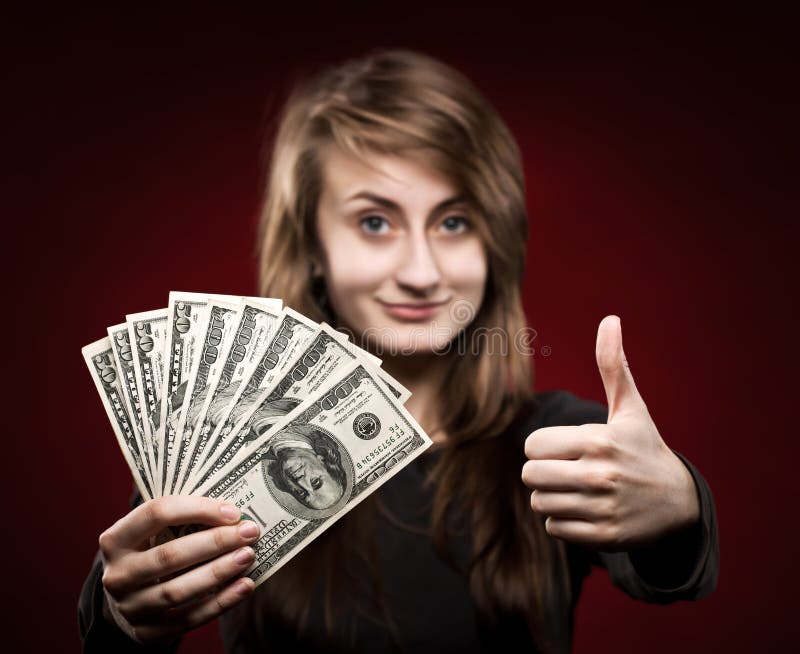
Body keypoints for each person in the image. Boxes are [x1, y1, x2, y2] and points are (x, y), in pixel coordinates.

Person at [79, 49, 719, 653]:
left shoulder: (554, 439)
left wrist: (679, 506)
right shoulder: (217, 440)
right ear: (313, 249)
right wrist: (125, 618)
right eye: (375, 222)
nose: (420, 270)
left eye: (454, 221)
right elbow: (124, 605)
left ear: (493, 246)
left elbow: (665, 565)